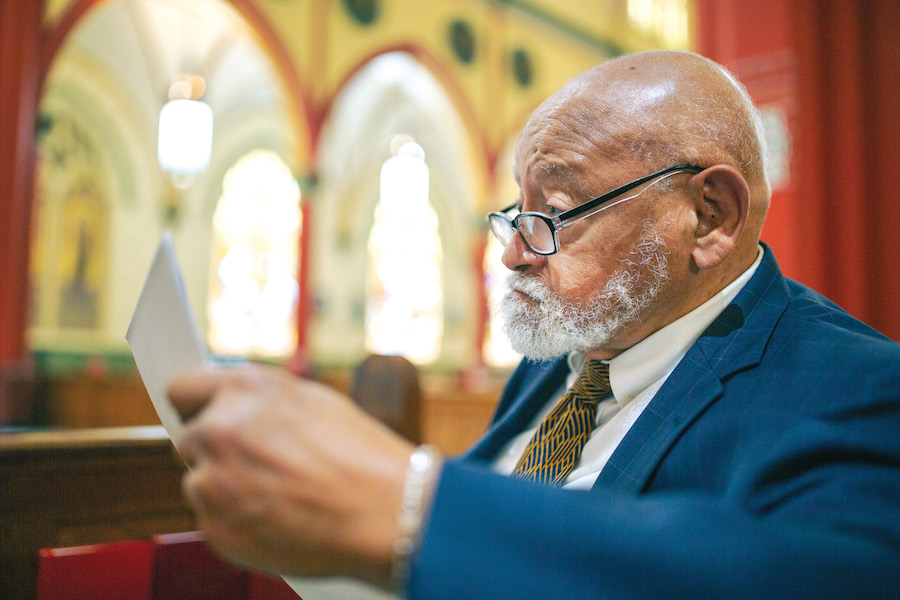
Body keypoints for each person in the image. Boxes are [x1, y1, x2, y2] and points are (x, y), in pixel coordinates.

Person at [167, 50, 900, 598]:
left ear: (708, 217)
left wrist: (413, 510)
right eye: (518, 212)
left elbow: (821, 577)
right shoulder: (569, 349)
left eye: (556, 211)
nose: (516, 253)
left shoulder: (855, 387)